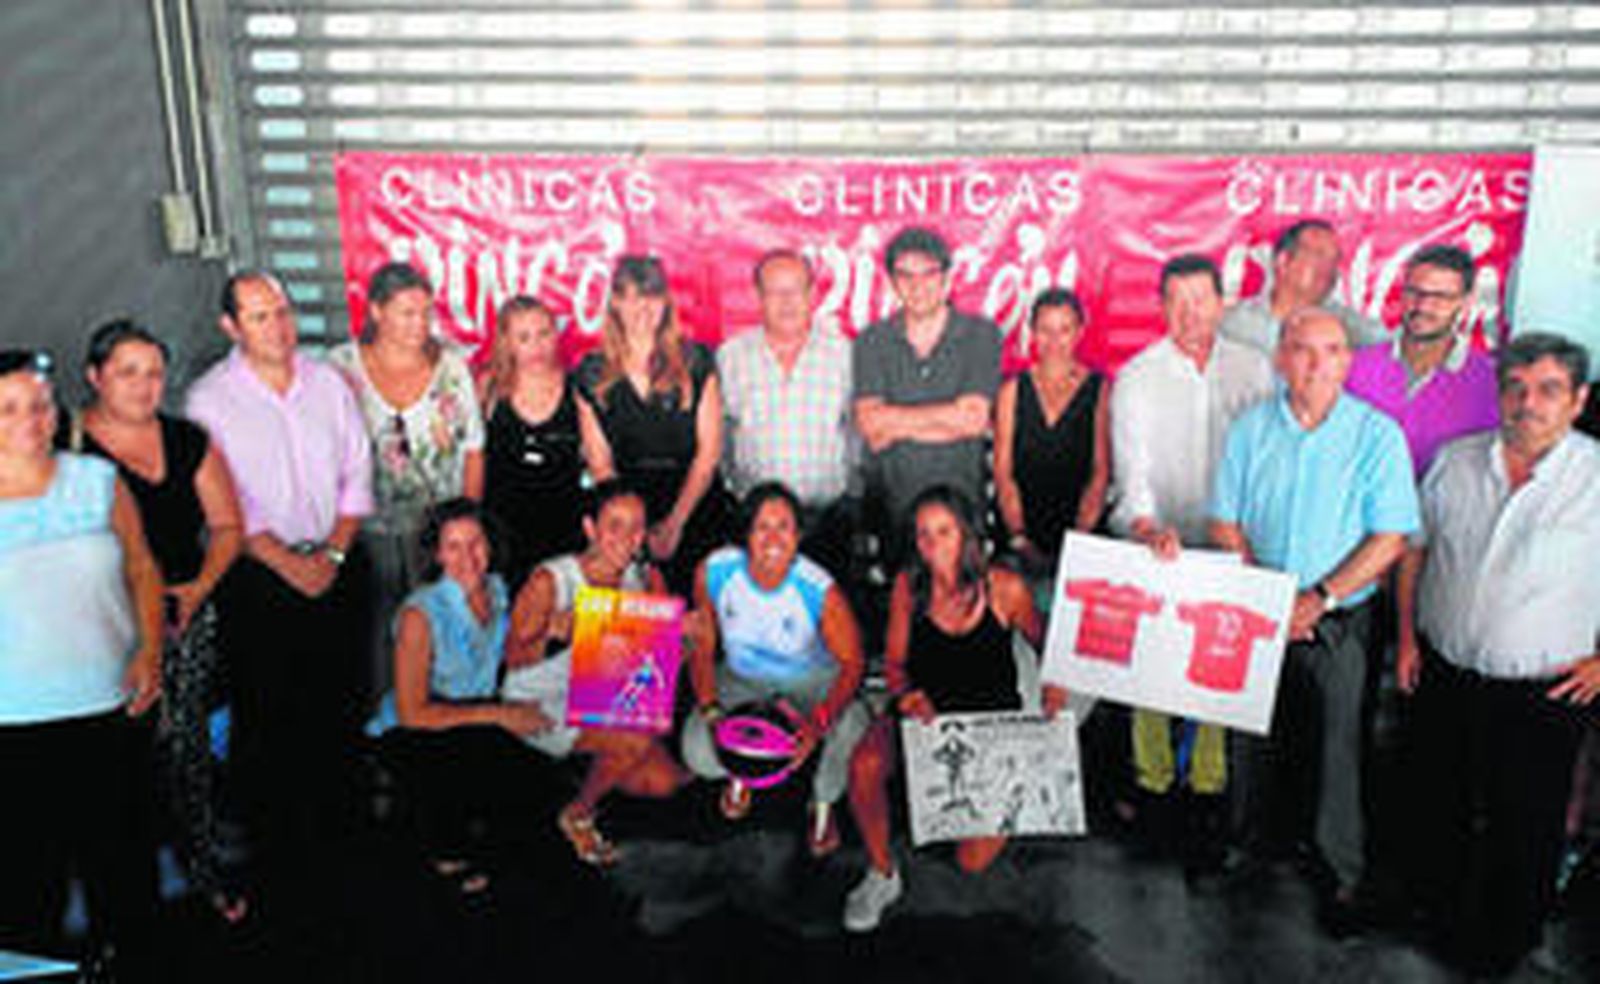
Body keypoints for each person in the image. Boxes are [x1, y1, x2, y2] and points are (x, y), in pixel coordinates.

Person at [1209, 308, 1419, 934]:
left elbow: (1390, 538)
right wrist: (1263, 596)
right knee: (1249, 734)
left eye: (1331, 351)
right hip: (1261, 609)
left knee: (1338, 749)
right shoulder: (1250, 429)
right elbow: (1226, 520)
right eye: (1302, 349)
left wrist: (1318, 599)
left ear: (1348, 362)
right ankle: (1247, 848)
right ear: (1280, 358)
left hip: (1339, 617)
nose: (1316, 363)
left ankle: (1342, 875)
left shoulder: (1376, 435)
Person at [1396, 332, 1600, 974]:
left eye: (1547, 390)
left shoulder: (1594, 478)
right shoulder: (1457, 461)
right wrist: (1405, 635)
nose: (1527, 403)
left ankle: (1505, 944)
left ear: (1578, 400)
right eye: (1514, 387)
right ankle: (1440, 916)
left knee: (1526, 822)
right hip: (1446, 672)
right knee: (1442, 803)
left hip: (1543, 688)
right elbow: (1415, 550)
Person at [187, 271, 374, 890]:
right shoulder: (208, 401)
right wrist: (291, 563)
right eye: (260, 316)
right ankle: (279, 851)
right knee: (269, 709)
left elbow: (357, 472)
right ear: (230, 327)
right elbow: (228, 503)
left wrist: (335, 556)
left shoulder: (328, 383)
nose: (279, 326)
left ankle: (346, 832)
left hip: (339, 560)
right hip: (258, 572)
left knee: (342, 697)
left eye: (283, 312)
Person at [76, 320, 247, 923]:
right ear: (95, 377)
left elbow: (227, 527)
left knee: (189, 751)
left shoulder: (184, 438)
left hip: (183, 615)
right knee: (112, 763)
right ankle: (114, 896)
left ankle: (201, 869)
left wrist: (199, 588)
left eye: (154, 372)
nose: (144, 385)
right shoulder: (67, 449)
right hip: (100, 629)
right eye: (128, 372)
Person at [0, 349, 163, 978]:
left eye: (39, 404)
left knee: (123, 875)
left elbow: (143, 568)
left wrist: (150, 650)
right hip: (14, 727)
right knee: (24, 889)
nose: (29, 419)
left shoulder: (97, 481)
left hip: (105, 710)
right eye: (10, 407)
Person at [1108, 255, 1274, 869]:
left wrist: (1251, 543)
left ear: (1222, 301)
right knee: (1150, 680)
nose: (1189, 313)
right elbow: (1134, 477)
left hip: (1234, 554)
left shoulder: (1254, 370)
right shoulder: (1137, 376)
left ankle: (1206, 803)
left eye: (1200, 299)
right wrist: (1149, 527)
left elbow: (1267, 461)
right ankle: (1152, 794)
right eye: (1175, 301)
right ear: (1160, 305)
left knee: (1217, 681)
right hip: (1162, 548)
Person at [841, 486, 1061, 933]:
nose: (931, 544)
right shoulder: (908, 585)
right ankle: (882, 874)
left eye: (943, 531)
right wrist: (907, 697)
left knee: (972, 861)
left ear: (966, 535)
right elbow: (897, 665)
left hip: (989, 729)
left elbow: (1049, 647)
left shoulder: (1004, 588)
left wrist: (1053, 687)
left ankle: (968, 803)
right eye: (923, 534)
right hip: (924, 718)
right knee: (864, 763)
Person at [368, 498, 569, 895]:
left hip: (477, 716)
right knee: (481, 771)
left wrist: (550, 631)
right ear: (438, 553)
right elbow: (413, 712)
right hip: (417, 726)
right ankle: (447, 861)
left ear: (490, 545)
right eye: (454, 546)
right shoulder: (419, 615)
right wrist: (500, 714)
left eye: (475, 543)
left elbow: (512, 648)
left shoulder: (496, 589)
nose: (468, 557)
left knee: (538, 777)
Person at [681, 482, 870, 857]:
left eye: (783, 526)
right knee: (698, 752)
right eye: (761, 526)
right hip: (742, 677)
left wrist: (818, 722)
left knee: (852, 726)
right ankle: (743, 769)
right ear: (746, 533)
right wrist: (713, 712)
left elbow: (853, 663)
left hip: (810, 680)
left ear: (798, 535)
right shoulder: (714, 571)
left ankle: (823, 803)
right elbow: (701, 650)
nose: (772, 538)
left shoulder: (819, 589)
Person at [505, 480, 687, 865]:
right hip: (539, 701)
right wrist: (550, 632)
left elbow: (658, 657)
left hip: (602, 691)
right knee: (634, 737)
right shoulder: (550, 580)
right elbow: (512, 660)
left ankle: (590, 763)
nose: (627, 538)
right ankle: (578, 812)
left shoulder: (644, 577)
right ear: (590, 528)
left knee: (664, 781)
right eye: (614, 525)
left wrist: (683, 635)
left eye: (637, 527)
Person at [329, 261, 485, 691]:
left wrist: (466, 526)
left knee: (441, 627)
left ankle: (441, 716)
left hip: (436, 528)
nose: (420, 324)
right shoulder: (340, 367)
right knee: (377, 631)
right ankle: (384, 729)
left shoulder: (451, 365)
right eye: (407, 313)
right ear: (376, 312)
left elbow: (474, 447)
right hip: (367, 529)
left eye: (425, 313)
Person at [577, 255, 730, 594]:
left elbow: (709, 454)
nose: (641, 309)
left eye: (650, 297)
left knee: (694, 622)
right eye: (629, 297)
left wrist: (675, 523)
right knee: (636, 631)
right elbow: (601, 465)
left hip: (695, 505)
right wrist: (632, 531)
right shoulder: (591, 373)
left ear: (665, 303)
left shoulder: (697, 361)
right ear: (615, 303)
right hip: (626, 513)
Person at [853, 227, 1001, 559]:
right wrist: (948, 418)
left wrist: (896, 423)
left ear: (947, 278)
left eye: (928, 274)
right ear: (891, 282)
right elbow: (870, 426)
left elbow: (974, 419)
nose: (917, 286)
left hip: (963, 509)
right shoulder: (871, 341)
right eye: (905, 275)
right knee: (899, 603)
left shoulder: (981, 335)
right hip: (893, 510)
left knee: (963, 602)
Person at [718, 250, 857, 580]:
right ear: (758, 297)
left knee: (831, 622)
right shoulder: (732, 356)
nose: (786, 301)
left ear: (812, 295)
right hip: (755, 524)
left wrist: (852, 497)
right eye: (774, 292)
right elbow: (722, 435)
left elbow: (856, 432)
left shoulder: (843, 354)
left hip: (826, 521)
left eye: (796, 290)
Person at [479, 295, 606, 592]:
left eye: (543, 334)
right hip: (505, 534)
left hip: (564, 531)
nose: (536, 346)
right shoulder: (488, 390)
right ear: (507, 341)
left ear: (556, 334)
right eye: (524, 337)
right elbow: (471, 459)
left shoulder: (576, 389)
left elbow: (599, 464)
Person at [1345, 244, 1499, 479]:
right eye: (1414, 292)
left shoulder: (1489, 384)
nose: (1424, 305)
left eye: (1441, 297)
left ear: (1465, 303)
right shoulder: (1354, 368)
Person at [993, 287, 1109, 589]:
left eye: (1064, 330)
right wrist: (1020, 540)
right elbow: (1003, 474)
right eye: (1045, 330)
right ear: (1031, 332)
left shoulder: (1100, 390)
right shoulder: (1012, 391)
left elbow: (1100, 473)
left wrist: (1078, 545)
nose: (1054, 341)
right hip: (1021, 538)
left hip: (1081, 538)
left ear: (1079, 332)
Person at [1220, 219, 1385, 356]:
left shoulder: (1351, 327)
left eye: (1334, 260)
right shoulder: (1234, 325)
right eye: (1319, 255)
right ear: (1283, 261)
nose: (1328, 268)